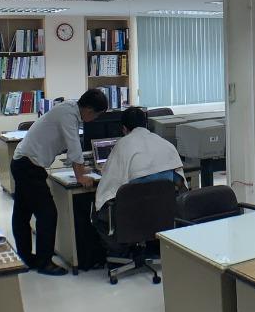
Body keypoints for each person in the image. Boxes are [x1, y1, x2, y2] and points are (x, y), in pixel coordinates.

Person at [11, 89, 108, 276]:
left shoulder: (70, 110)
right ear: (89, 110)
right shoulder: (68, 115)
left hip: (24, 163)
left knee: (22, 213)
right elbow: (74, 145)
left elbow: (69, 147)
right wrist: (80, 177)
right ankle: (44, 263)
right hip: (28, 166)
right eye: (96, 115)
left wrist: (81, 168)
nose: (94, 119)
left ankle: (26, 257)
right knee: (47, 214)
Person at [91, 107, 184, 247]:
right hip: (162, 213)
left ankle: (122, 250)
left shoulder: (122, 145)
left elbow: (109, 183)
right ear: (146, 124)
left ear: (124, 129)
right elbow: (180, 183)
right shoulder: (165, 143)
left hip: (132, 214)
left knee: (98, 211)